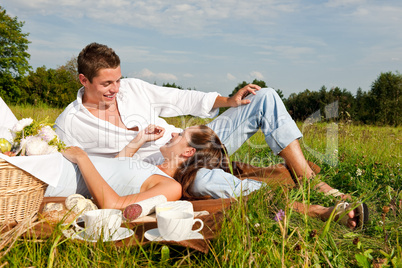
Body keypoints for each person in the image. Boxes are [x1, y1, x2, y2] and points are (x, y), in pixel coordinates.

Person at [55, 42, 341, 197]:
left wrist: (229, 101)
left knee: (263, 96)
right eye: (107, 84)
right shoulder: (70, 123)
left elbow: (182, 100)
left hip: (186, 142)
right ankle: (279, 200)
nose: (116, 89)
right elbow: (65, 164)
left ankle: (309, 181)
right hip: (162, 170)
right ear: (84, 80)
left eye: (117, 80)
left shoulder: (132, 88)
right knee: (202, 181)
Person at [60, 124, 364, 229]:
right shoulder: (155, 161)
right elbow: (119, 171)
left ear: (188, 153)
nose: (173, 133)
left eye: (181, 135)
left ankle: (321, 211)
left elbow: (258, 196)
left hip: (227, 191)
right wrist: (137, 143)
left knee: (226, 188)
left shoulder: (199, 177)